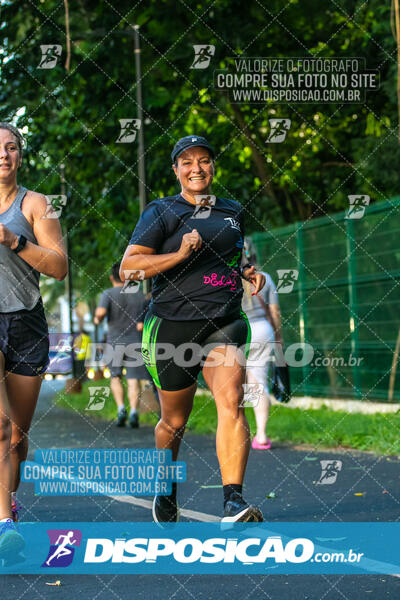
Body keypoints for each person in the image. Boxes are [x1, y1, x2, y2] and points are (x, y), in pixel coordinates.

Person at [121, 135, 266, 523]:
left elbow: (229, 255)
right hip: (172, 327)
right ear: (176, 170)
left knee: (232, 401)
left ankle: (232, 501)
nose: (196, 168)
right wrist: (181, 253)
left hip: (225, 321)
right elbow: (128, 268)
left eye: (203, 160)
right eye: (187, 162)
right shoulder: (161, 212)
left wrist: (245, 270)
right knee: (175, 421)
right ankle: (165, 488)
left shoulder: (233, 210)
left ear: (213, 166)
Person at [0, 123, 67, 553]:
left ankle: (8, 500)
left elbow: (59, 266)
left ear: (20, 155)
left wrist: (14, 239)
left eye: (11, 148)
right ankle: (5, 524)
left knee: (17, 436)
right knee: (1, 424)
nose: (3, 154)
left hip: (26, 323)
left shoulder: (37, 204)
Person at [94, 261, 150, 428]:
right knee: (134, 379)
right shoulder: (139, 294)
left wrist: (97, 319)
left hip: (114, 342)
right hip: (136, 341)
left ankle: (120, 409)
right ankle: (134, 412)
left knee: (115, 377)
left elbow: (100, 314)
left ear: (112, 277)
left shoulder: (109, 293)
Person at [241, 245, 283, 450]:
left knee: (244, 382)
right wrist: (279, 337)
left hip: (240, 331)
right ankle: (262, 434)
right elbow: (275, 312)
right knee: (259, 380)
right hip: (263, 330)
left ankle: (237, 430)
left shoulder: (229, 280)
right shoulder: (265, 278)